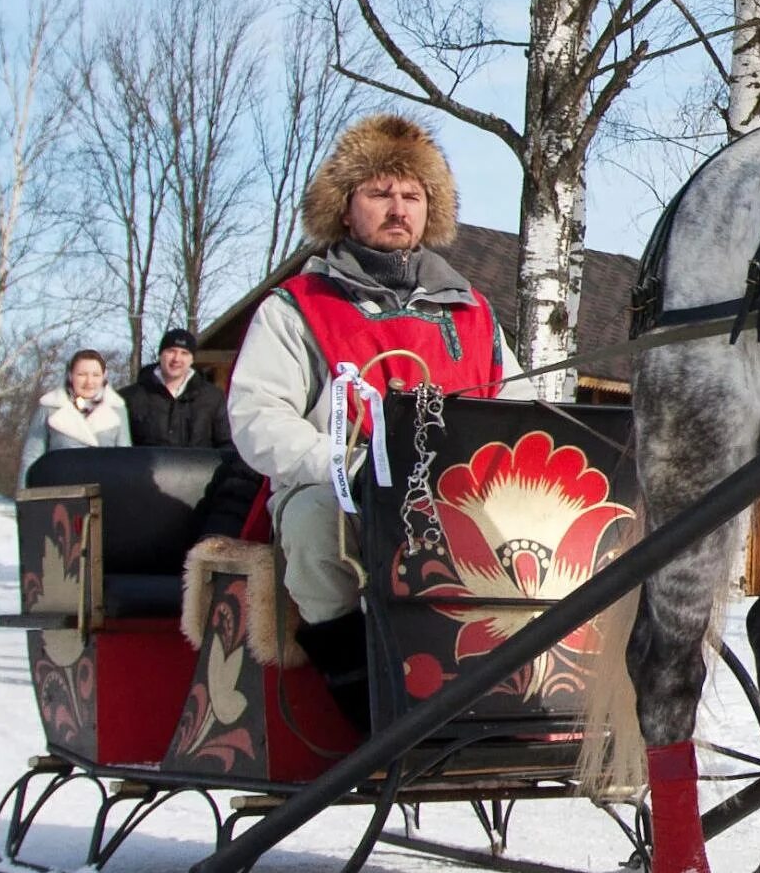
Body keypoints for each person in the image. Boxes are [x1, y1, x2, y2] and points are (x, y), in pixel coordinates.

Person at [228, 113, 515, 729]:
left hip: (457, 494)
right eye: (380, 193)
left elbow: (513, 409)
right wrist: (345, 467)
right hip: (340, 490)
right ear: (345, 207)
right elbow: (257, 417)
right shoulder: (296, 308)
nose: (397, 207)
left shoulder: (474, 312)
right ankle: (369, 715)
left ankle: (507, 706)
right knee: (312, 529)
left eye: (412, 195)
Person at [21, 351, 131, 484]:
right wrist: (25, 498)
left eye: (96, 375)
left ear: (104, 376)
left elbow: (125, 460)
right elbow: (31, 456)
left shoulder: (117, 409)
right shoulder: (49, 406)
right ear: (70, 375)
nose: (89, 381)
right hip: (59, 490)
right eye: (81, 375)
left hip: (105, 490)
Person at [124, 327, 232, 450]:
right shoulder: (131, 397)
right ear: (160, 355)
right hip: (146, 468)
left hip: (197, 468)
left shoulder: (213, 398)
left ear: (192, 359)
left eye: (184, 353)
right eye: (171, 351)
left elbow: (226, 444)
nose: (176, 359)